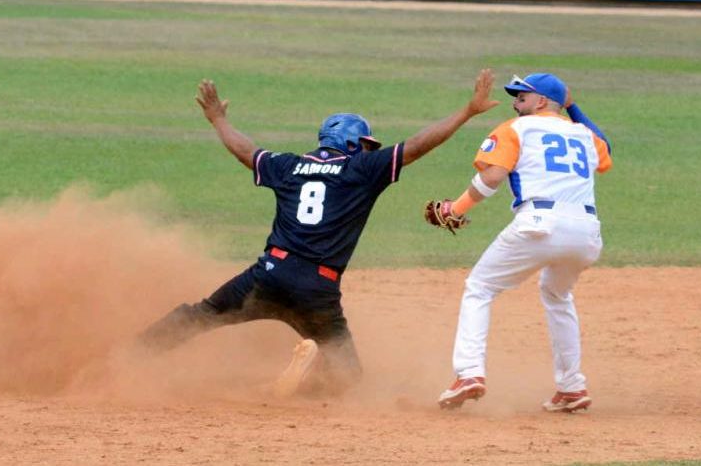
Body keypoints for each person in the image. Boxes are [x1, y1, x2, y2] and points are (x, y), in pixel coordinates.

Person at [139, 70, 500, 397]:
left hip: (267, 275)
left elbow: (245, 151)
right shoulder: (362, 168)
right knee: (347, 379)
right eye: (365, 144)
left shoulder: (287, 166)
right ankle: (310, 369)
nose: (368, 150)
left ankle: (128, 356)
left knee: (200, 315)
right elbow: (417, 146)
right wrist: (467, 112)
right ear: (353, 143)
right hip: (316, 290)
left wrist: (217, 118)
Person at [426, 72, 612, 412]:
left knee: (479, 287)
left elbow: (493, 176)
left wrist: (457, 207)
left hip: (540, 224)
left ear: (540, 101)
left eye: (521, 97)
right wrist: (573, 106)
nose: (515, 103)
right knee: (558, 294)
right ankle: (571, 386)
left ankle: (469, 373)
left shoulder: (515, 129)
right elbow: (605, 151)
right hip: (586, 232)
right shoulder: (583, 134)